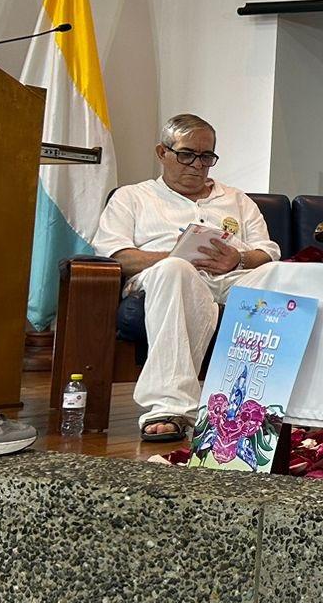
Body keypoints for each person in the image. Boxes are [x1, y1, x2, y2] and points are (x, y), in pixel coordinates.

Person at [92, 114, 281, 442]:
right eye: (186, 154)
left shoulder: (237, 200)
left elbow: (267, 251)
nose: (197, 164)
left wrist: (240, 257)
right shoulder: (133, 197)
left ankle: (267, 407)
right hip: (164, 277)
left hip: (230, 278)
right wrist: (175, 257)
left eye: (206, 157)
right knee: (176, 270)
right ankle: (170, 406)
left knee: (280, 276)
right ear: (161, 152)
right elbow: (117, 255)